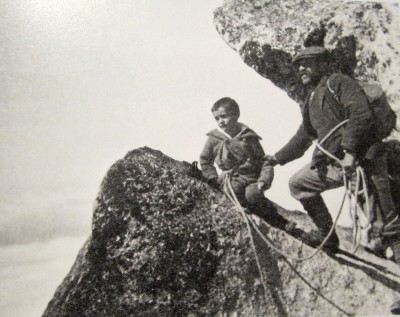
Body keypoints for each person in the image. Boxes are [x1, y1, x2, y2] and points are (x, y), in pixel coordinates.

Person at [266, 46, 400, 255]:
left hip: (363, 160)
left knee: (385, 222)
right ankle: (327, 236)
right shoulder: (311, 98)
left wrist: (350, 153)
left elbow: (360, 114)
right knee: (298, 184)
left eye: (307, 63)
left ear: (322, 64)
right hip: (334, 163)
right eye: (299, 65)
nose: (302, 69)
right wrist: (277, 158)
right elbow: (304, 135)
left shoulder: (339, 82)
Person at [200, 97, 294, 231]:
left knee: (254, 195)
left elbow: (263, 162)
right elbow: (205, 160)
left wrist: (263, 180)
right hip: (231, 178)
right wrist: (212, 177)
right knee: (233, 191)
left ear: (236, 115)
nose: (220, 122)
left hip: (251, 178)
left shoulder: (248, 136)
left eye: (224, 116)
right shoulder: (213, 139)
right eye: (217, 118)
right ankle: (245, 217)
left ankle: (280, 222)